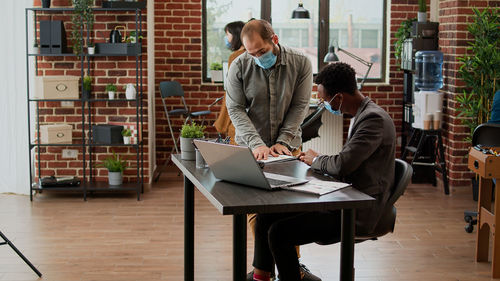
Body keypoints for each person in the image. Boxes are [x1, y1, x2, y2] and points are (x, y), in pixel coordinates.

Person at [251, 62, 396, 281]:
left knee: (279, 233)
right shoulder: (362, 113)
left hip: (358, 210)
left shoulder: (373, 119)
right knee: (265, 217)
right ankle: (261, 277)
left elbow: (342, 165)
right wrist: (317, 161)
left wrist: (316, 159)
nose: (322, 103)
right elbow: (346, 162)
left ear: (338, 97)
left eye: (323, 99)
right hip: (343, 197)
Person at [225, 19, 318, 281]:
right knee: (258, 209)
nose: (256, 57)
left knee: (291, 206)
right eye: (250, 53)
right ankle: (262, 269)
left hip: (288, 146)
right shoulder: (240, 65)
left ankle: (292, 267)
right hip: (250, 147)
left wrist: (284, 142)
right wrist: (258, 145)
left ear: (274, 40)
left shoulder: (301, 63)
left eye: (261, 52)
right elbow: (235, 109)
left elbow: (300, 106)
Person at [214, 21, 246, 144]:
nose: (227, 38)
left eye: (228, 34)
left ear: (236, 35)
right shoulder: (252, 55)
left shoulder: (235, 56)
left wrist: (222, 121)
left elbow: (231, 90)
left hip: (236, 110)